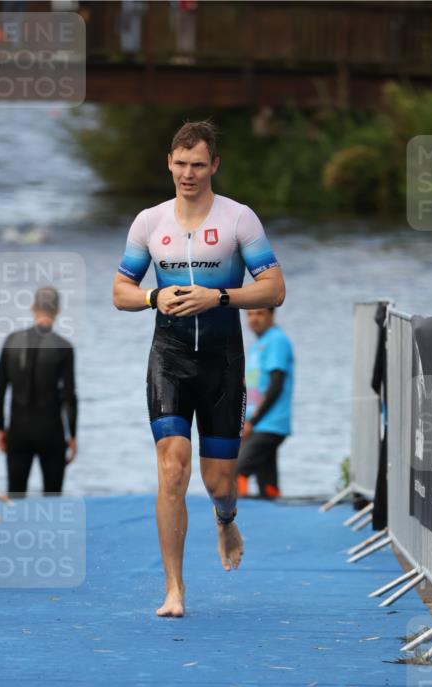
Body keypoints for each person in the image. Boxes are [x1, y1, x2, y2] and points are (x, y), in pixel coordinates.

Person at [113, 119, 285, 619]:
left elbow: (274, 289)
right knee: (171, 469)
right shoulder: (149, 222)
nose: (188, 174)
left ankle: (225, 518)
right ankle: (174, 589)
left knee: (217, 483)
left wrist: (220, 296)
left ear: (214, 166)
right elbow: (119, 291)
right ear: (169, 163)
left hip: (222, 363)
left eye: (198, 165)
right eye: (180, 164)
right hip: (169, 358)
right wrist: (152, 296)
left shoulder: (238, 220)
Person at [0, 286, 77, 497]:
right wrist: (73, 435)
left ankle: (16, 529)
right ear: (58, 310)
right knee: (52, 497)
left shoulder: (11, 342)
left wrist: (0, 427)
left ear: (33, 308)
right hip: (51, 431)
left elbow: (0, 389)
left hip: (18, 431)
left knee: (16, 494)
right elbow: (70, 396)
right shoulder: (64, 347)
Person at [237, 307, 294, 499]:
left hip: (269, 424)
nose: (254, 319)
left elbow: (276, 385)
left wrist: (252, 421)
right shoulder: (259, 344)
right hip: (258, 423)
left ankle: (235, 516)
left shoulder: (276, 340)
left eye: (260, 313)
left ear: (272, 314)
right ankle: (275, 507)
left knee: (236, 471)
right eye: (250, 314)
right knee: (267, 482)